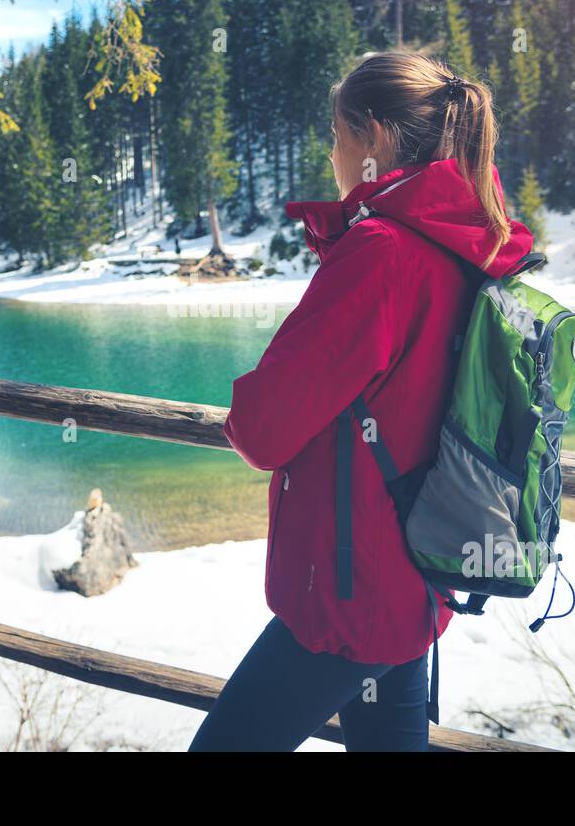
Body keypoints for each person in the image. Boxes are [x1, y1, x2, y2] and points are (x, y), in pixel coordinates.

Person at [188, 52, 533, 752]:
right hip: (414, 567)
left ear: (372, 137)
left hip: (353, 592)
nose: (332, 152)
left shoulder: (382, 251)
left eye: (337, 134)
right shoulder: (469, 240)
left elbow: (260, 428)